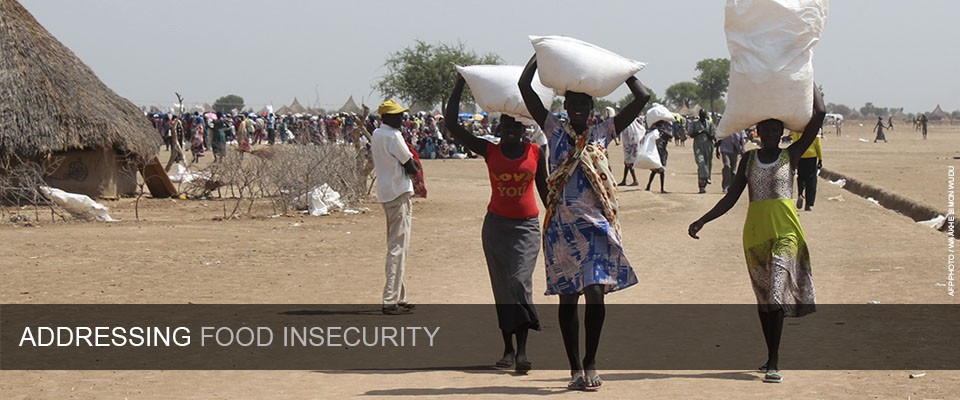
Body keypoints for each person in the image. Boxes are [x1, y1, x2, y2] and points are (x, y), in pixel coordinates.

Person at [520, 54, 650, 391]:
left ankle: (591, 361)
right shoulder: (553, 129)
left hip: (595, 226)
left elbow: (643, 98)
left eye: (583, 103)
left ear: (592, 106)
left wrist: (622, 71)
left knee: (595, 292)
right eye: (572, 102)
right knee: (568, 299)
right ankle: (575, 368)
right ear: (565, 104)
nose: (577, 108)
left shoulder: (603, 132)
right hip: (562, 228)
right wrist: (540, 58)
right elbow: (525, 88)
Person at [688, 85, 824, 384]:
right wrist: (702, 220)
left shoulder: (792, 155)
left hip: (786, 234)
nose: (772, 133)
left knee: (776, 296)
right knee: (765, 302)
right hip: (755, 237)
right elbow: (731, 198)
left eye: (777, 129)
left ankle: (774, 362)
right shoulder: (748, 160)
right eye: (767, 129)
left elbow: (820, 115)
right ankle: (768, 355)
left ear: (782, 132)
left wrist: (809, 81)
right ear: (758, 133)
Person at [445, 74, 549, 375]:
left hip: (527, 227)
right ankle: (508, 349)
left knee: (520, 282)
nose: (510, 132)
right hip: (496, 228)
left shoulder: (535, 152)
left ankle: (523, 351)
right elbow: (452, 124)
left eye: (515, 127)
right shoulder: (490, 151)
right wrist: (459, 83)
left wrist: (554, 218)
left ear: (523, 129)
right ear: (498, 129)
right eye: (505, 127)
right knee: (502, 290)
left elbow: (543, 190)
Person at [371, 100, 419, 315]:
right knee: (398, 248)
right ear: (387, 117)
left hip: (386, 191)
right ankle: (390, 299)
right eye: (398, 115)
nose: (402, 119)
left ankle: (399, 295)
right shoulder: (393, 136)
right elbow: (411, 166)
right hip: (398, 193)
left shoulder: (377, 134)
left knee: (397, 244)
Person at [791, 130, 823, 211]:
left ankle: (800, 193)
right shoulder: (816, 127)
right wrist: (820, 158)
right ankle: (808, 204)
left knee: (801, 176)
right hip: (812, 156)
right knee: (811, 180)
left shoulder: (798, 127)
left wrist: (796, 156)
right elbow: (818, 145)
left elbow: (795, 141)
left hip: (801, 155)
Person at [691, 109, 716, 193]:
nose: (703, 116)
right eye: (701, 115)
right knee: (701, 164)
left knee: (707, 164)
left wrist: (705, 132)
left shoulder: (710, 124)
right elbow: (691, 134)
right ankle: (702, 184)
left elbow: (713, 136)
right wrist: (698, 132)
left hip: (708, 146)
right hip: (698, 146)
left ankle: (704, 184)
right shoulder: (695, 123)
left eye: (704, 115)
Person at [645, 119, 673, 193]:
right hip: (658, 152)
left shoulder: (663, 132)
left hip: (661, 152)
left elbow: (670, 137)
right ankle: (659, 188)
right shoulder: (655, 132)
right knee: (658, 170)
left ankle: (650, 186)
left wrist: (662, 132)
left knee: (658, 171)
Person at [716, 129, 747, 194]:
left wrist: (743, 148)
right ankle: (725, 186)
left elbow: (742, 138)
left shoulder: (739, 127)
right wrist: (717, 149)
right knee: (727, 166)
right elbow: (720, 138)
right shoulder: (726, 126)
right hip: (725, 148)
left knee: (733, 171)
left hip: (735, 149)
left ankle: (732, 187)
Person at [617, 118, 643, 186]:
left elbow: (628, 135)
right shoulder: (633, 124)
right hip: (632, 146)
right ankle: (624, 180)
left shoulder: (628, 126)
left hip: (629, 146)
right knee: (626, 163)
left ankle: (635, 180)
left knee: (629, 163)